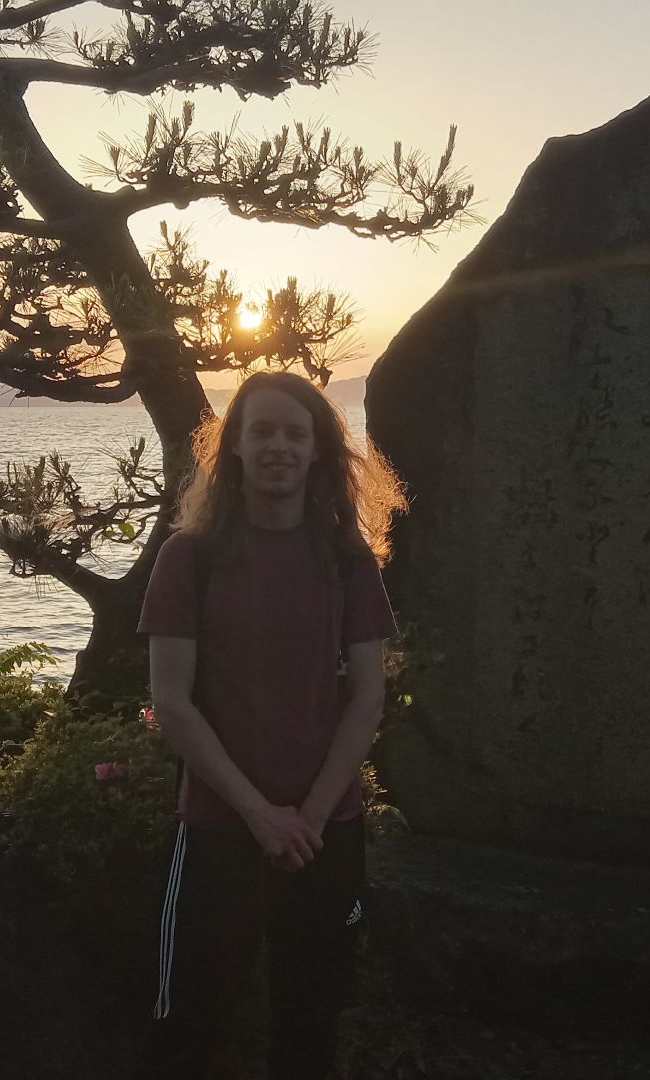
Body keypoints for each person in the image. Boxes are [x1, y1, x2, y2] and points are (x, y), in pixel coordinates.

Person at [138, 370, 405, 1079]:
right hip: (220, 830)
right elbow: (173, 701)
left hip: (325, 836)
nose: (278, 447)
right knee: (191, 1023)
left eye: (296, 433)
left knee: (311, 1027)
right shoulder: (189, 558)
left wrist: (308, 819)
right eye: (262, 432)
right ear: (233, 448)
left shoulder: (347, 562)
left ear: (319, 449)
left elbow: (367, 698)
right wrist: (262, 817)